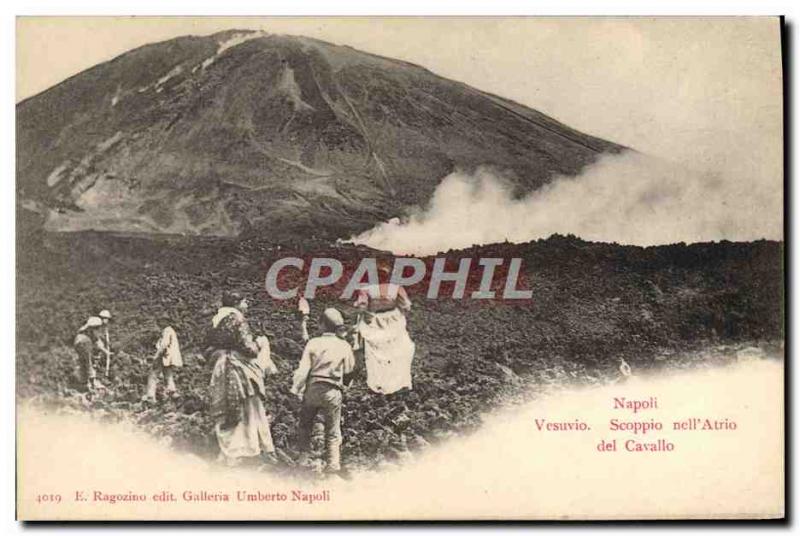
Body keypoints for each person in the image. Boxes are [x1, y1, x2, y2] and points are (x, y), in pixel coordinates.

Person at [206, 292, 278, 466]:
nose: (247, 305)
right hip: (239, 367)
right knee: (251, 407)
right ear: (237, 304)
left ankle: (228, 450)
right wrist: (260, 344)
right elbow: (248, 348)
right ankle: (250, 448)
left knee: (227, 406)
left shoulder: (215, 320)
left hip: (221, 366)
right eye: (245, 301)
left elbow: (207, 347)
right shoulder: (237, 319)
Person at [291, 308, 355, 474]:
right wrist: (345, 387)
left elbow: (303, 370)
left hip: (313, 388)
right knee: (333, 429)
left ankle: (304, 458)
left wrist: (295, 389)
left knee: (305, 424)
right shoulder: (344, 345)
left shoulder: (313, 343)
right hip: (333, 390)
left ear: (322, 325)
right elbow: (349, 370)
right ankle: (333, 464)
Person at [354, 265, 415, 395]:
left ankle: (379, 384)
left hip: (376, 322)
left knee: (376, 355)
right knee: (396, 352)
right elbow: (406, 305)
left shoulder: (366, 289)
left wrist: (364, 313)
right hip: (393, 321)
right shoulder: (397, 288)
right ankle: (397, 383)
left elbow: (362, 306)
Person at [142, 319, 183, 403]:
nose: (159, 324)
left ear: (165, 322)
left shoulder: (167, 330)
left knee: (152, 374)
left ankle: (150, 397)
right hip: (169, 357)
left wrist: (156, 356)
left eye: (160, 322)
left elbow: (164, 345)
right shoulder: (170, 330)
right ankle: (173, 392)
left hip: (165, 356)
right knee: (168, 374)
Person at [73, 316, 105, 392]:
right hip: (84, 343)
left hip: (80, 343)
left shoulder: (83, 334)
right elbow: (88, 360)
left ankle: (85, 381)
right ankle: (91, 383)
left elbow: (97, 341)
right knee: (88, 361)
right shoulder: (86, 339)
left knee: (83, 362)